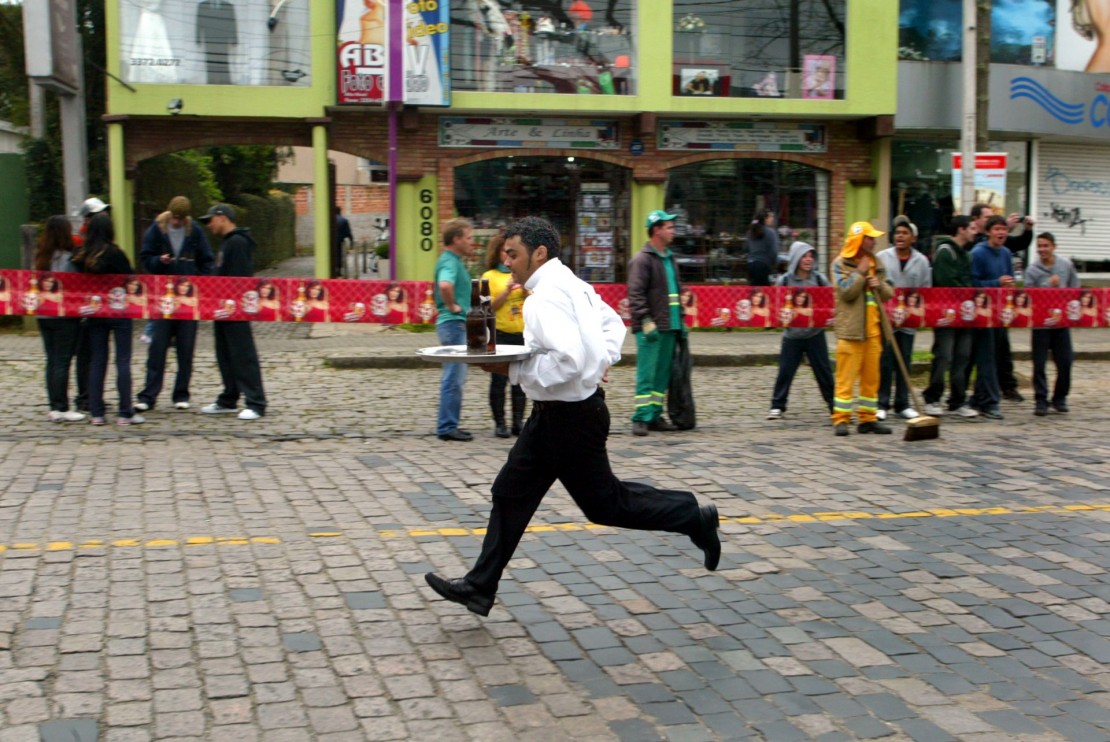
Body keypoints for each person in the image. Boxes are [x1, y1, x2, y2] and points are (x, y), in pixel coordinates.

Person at [423, 216, 721, 617]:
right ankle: (479, 586)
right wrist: (601, 360)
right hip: (557, 415)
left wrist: (511, 370)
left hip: (571, 418)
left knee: (605, 505)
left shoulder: (545, 297)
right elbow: (612, 326)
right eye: (505, 253)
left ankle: (692, 516)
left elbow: (566, 362)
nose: (507, 261)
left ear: (539, 253)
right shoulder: (571, 284)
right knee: (510, 493)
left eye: (513, 254)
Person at [136, 196, 215, 413]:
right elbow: (145, 259)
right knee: (157, 348)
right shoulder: (156, 230)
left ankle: (181, 394)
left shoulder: (195, 231)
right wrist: (158, 261)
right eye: (175, 217)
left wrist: (201, 284)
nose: (177, 222)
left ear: (186, 217)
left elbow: (206, 260)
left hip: (188, 300)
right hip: (163, 299)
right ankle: (148, 395)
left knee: (185, 349)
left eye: (181, 218)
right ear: (169, 214)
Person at [71, 214, 143, 426]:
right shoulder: (115, 253)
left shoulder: (82, 255)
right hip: (119, 311)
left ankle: (96, 412)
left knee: (97, 361)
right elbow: (130, 277)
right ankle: (124, 411)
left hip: (95, 312)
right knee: (123, 361)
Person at [198, 205, 267, 420]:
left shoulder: (237, 243)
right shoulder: (228, 243)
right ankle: (229, 397)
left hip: (234, 308)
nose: (209, 225)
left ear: (222, 218)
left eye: (210, 220)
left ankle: (256, 402)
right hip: (223, 308)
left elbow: (239, 278)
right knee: (226, 355)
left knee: (242, 355)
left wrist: (233, 303)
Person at [831, 221, 894, 436]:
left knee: (871, 379)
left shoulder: (878, 262)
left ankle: (868, 418)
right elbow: (846, 292)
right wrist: (860, 273)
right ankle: (841, 419)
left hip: (873, 331)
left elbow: (889, 292)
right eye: (870, 238)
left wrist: (880, 285)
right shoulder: (840, 263)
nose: (874, 241)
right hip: (851, 332)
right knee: (845, 378)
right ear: (859, 240)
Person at [628, 209, 686, 436]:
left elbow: (676, 292)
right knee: (647, 373)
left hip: (670, 326)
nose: (673, 231)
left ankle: (654, 414)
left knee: (661, 375)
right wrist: (645, 319)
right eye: (669, 227)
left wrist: (680, 320)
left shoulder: (670, 258)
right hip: (651, 327)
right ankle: (640, 417)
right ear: (656, 230)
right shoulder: (642, 260)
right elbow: (636, 293)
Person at [767, 241, 834, 420]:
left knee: (824, 370)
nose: (808, 259)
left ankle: (834, 404)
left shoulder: (820, 280)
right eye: (804, 255)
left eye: (811, 255)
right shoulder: (785, 280)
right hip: (793, 335)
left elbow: (829, 302)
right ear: (796, 258)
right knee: (786, 370)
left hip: (815, 334)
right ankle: (777, 405)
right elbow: (776, 305)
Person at [922, 215, 979, 418]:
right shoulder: (946, 252)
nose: (975, 231)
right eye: (972, 228)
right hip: (946, 313)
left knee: (962, 357)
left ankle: (957, 399)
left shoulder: (966, 254)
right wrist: (968, 291)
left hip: (965, 314)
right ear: (961, 230)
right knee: (944, 355)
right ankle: (933, 397)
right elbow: (946, 282)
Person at [875, 216, 932, 421]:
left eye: (904, 233)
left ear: (913, 238)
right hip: (887, 318)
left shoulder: (922, 261)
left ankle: (903, 403)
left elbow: (926, 290)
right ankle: (882, 403)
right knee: (885, 361)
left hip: (908, 320)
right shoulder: (882, 257)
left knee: (904, 361)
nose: (900, 236)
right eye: (897, 233)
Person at [33, 216, 86, 423]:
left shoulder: (40, 258)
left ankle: (54, 404)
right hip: (64, 316)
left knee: (51, 359)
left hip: (43, 313)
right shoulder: (69, 259)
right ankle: (62, 407)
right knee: (63, 360)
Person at [1025, 232, 1080, 416]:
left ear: (1053, 247)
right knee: (1039, 364)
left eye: (1046, 246)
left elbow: (1075, 289)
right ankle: (1041, 400)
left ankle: (1060, 397)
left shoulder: (1065, 265)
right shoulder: (1032, 270)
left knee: (1065, 362)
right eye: (1039, 246)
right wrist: (1048, 284)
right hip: (1041, 325)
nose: (1042, 250)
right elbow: (1027, 297)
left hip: (1061, 323)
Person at [969, 215, 1017, 419]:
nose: (1001, 233)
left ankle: (979, 398)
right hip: (983, 314)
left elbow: (1008, 280)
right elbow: (973, 284)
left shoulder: (1006, 253)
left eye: (1004, 229)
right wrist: (997, 283)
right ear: (988, 231)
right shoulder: (978, 253)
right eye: (997, 229)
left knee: (997, 357)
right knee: (986, 358)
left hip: (1000, 313)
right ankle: (990, 402)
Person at [481, 232, 528, 438]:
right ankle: (500, 423)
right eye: (504, 252)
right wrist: (506, 292)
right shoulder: (489, 276)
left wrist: (526, 290)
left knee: (520, 382)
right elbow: (485, 308)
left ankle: (518, 421)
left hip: (522, 333)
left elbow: (532, 301)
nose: (508, 256)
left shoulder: (522, 273)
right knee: (499, 381)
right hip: (500, 334)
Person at [434, 218, 476, 441]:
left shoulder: (454, 260)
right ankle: (447, 426)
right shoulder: (450, 262)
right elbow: (444, 285)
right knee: (454, 377)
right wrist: (452, 305)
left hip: (455, 324)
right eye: (468, 238)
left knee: (455, 376)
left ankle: (449, 424)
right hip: (453, 323)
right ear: (456, 239)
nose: (472, 243)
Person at [72, 197, 111, 413]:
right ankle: (84, 395)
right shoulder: (79, 241)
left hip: (99, 304)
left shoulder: (97, 241)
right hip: (83, 304)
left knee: (95, 354)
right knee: (85, 354)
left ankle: (93, 394)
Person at [745, 209, 779, 286]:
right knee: (764, 290)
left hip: (751, 265)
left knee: (753, 289)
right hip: (763, 265)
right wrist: (774, 264)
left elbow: (746, 248)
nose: (773, 219)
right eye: (771, 217)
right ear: (765, 219)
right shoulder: (771, 232)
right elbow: (774, 252)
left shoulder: (750, 232)